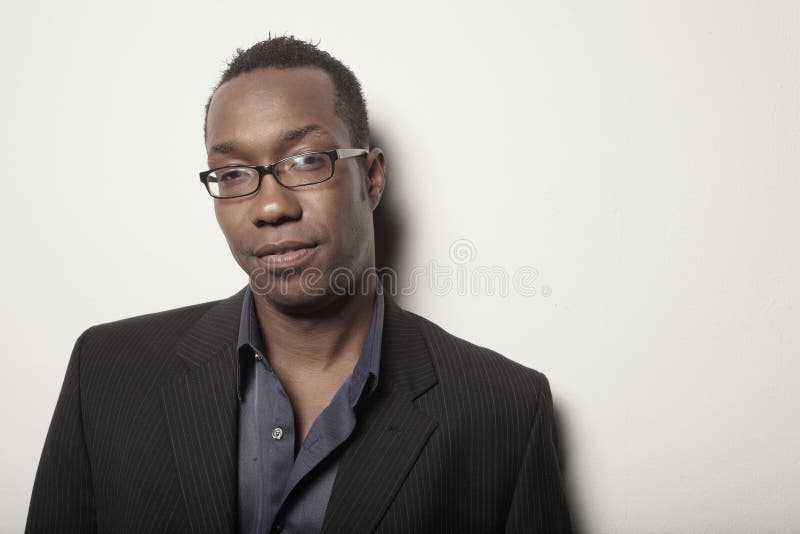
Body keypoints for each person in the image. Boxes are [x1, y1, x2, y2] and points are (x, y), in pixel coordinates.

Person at [25, 36, 572, 534]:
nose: (270, 206)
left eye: (307, 161)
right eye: (234, 172)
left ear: (373, 177)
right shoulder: (105, 374)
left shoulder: (502, 409)